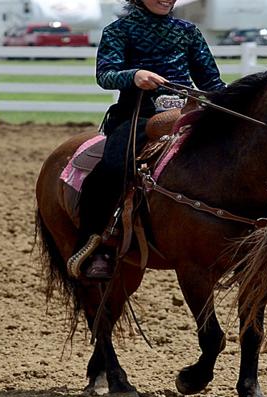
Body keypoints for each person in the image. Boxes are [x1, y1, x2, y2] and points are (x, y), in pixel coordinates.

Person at [76, 0, 225, 280]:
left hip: (187, 110)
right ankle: (99, 246)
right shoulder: (118, 30)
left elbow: (211, 83)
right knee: (111, 169)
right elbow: (105, 75)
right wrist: (134, 75)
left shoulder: (188, 31)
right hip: (138, 114)